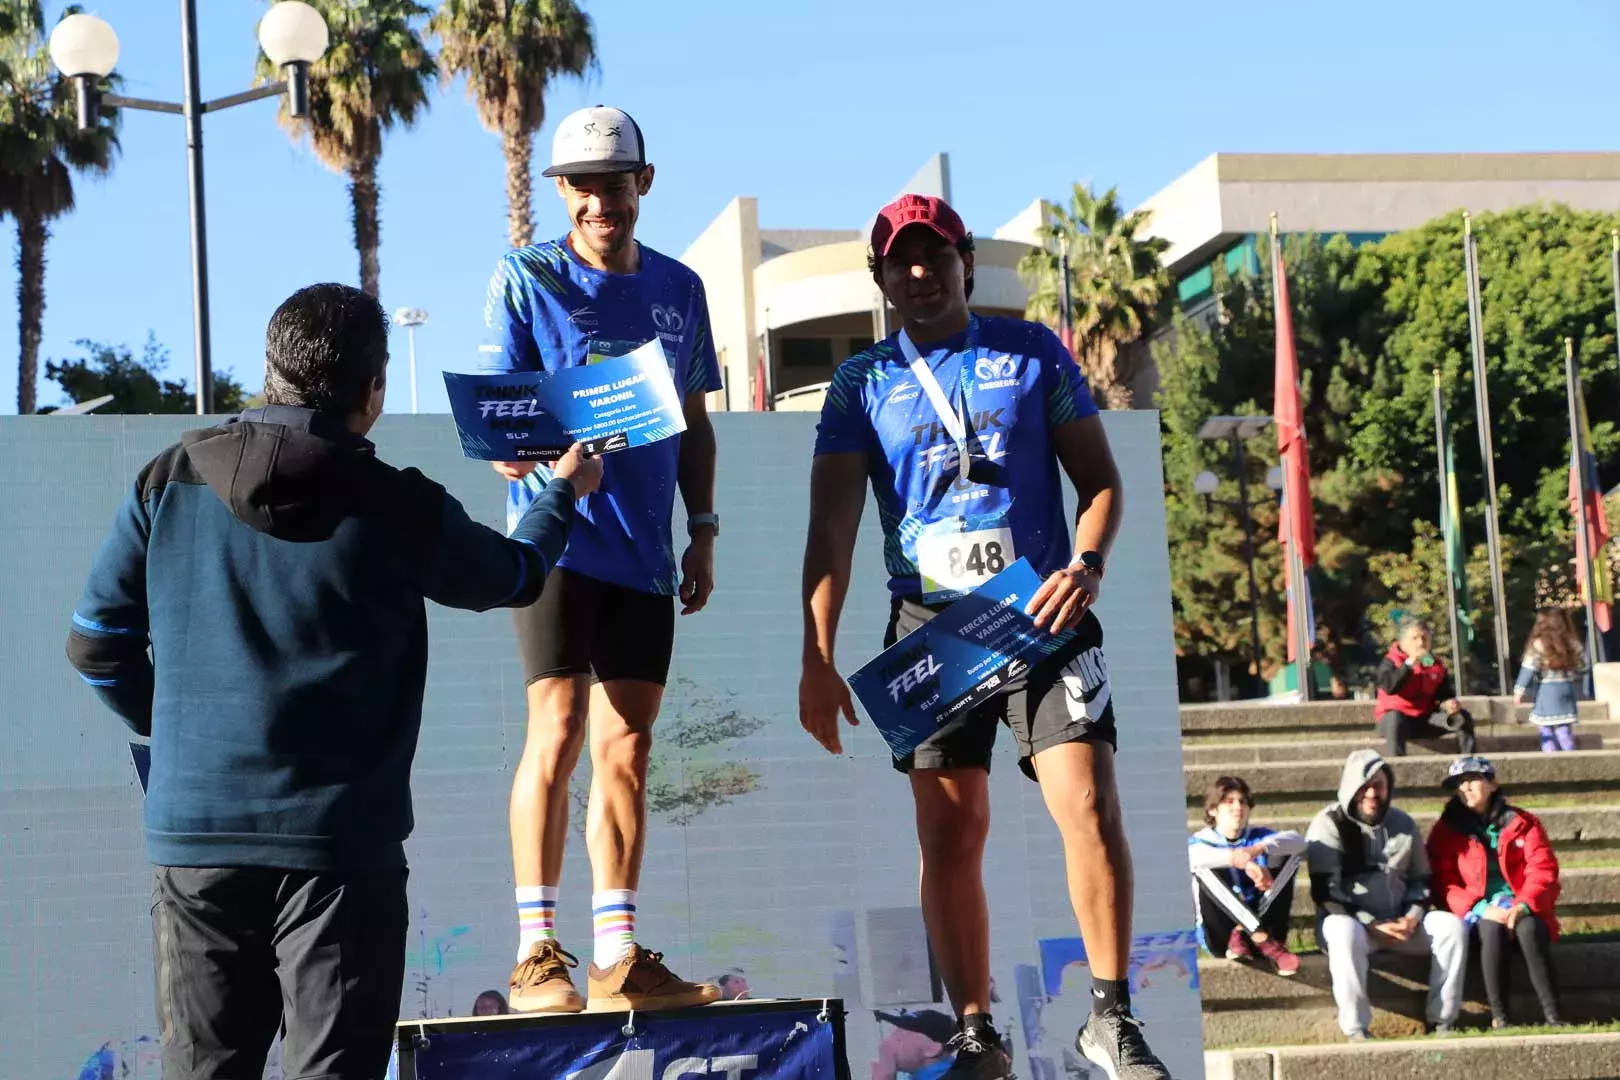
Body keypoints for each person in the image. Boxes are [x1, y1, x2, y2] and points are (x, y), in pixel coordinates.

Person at [65, 284, 601, 1080]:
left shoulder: (167, 480)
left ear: (273, 369)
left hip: (195, 839)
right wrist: (562, 491)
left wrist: (179, 738)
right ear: (374, 391)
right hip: (341, 850)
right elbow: (516, 574)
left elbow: (97, 645)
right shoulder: (393, 501)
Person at [799, 193, 1169, 1080]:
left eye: (935, 257)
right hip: (935, 626)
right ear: (880, 278)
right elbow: (830, 531)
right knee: (951, 836)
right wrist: (815, 658)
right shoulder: (861, 385)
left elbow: (1102, 484)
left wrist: (1085, 565)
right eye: (900, 262)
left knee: (1087, 800)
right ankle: (976, 1031)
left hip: (1043, 607)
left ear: (965, 262)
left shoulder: (1033, 352)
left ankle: (1110, 1015)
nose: (918, 275)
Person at [482, 104, 724, 1015]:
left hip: (644, 553)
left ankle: (618, 954)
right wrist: (523, 453)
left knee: (627, 745)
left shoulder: (682, 288)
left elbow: (696, 424)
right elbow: (503, 420)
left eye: (612, 186)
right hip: (554, 542)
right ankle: (537, 951)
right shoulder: (526, 276)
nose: (597, 204)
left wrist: (701, 527)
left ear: (642, 185)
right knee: (559, 730)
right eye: (580, 189)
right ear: (560, 193)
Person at [1305, 749, 1467, 1041]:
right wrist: (1370, 924)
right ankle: (1356, 1028)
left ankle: (1443, 1021)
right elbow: (1326, 891)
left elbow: (1422, 879)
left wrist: (1412, 917)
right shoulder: (1328, 823)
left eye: (1378, 785)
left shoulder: (1403, 823)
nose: (1371, 793)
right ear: (1350, 787)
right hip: (1356, 927)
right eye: (1364, 786)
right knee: (1339, 929)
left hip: (1402, 926)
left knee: (1451, 927)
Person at [1426, 756, 1565, 1029]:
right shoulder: (1445, 829)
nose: (1466, 788)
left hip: (1521, 904)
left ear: (1492, 784)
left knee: (1529, 928)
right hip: (1478, 913)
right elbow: (1443, 882)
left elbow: (1543, 870)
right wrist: (1479, 908)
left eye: (1473, 780)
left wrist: (1524, 904)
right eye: (1460, 783)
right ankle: (1500, 1017)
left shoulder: (1524, 823)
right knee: (1491, 927)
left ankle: (1554, 1015)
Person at [1188, 776, 1304, 975]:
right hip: (1221, 937)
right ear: (1212, 810)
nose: (1238, 807)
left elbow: (1299, 842)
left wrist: (1255, 851)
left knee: (1289, 854)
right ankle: (1260, 937)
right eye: (1229, 801)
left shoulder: (1259, 836)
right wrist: (1238, 860)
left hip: (1266, 924)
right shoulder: (1200, 842)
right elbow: (1191, 858)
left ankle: (1245, 930)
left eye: (1242, 802)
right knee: (1203, 866)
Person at [1374, 620, 1476, 757]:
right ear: (1403, 643)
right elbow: (1390, 687)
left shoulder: (1435, 664)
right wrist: (1409, 663)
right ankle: (1397, 766)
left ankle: (1469, 762)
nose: (1420, 643)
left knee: (1462, 717)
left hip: (1424, 719)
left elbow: (1443, 694)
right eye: (1414, 638)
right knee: (1395, 718)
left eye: (1424, 638)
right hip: (1396, 722)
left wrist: (1448, 703)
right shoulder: (1390, 661)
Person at [1514, 608, 1587, 753]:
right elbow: (1583, 665)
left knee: (1546, 729)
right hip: (1566, 686)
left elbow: (1528, 668)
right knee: (1563, 729)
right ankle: (1571, 756)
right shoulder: (1571, 642)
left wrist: (1519, 690)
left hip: (1547, 689)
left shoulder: (1538, 644)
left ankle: (1550, 757)